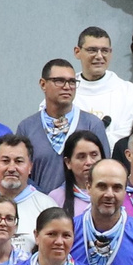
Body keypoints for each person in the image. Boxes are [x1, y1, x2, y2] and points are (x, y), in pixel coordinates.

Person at [15, 58, 105, 195]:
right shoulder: (27, 128)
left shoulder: (91, 124)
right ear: (43, 84)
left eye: (72, 82)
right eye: (59, 81)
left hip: (84, 206)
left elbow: (103, 170)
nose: (67, 87)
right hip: (39, 206)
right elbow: (21, 171)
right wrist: (45, 200)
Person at [68, 24, 133, 140]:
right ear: (77, 52)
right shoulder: (64, 90)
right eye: (92, 50)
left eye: (105, 51)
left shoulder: (129, 92)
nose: (99, 56)